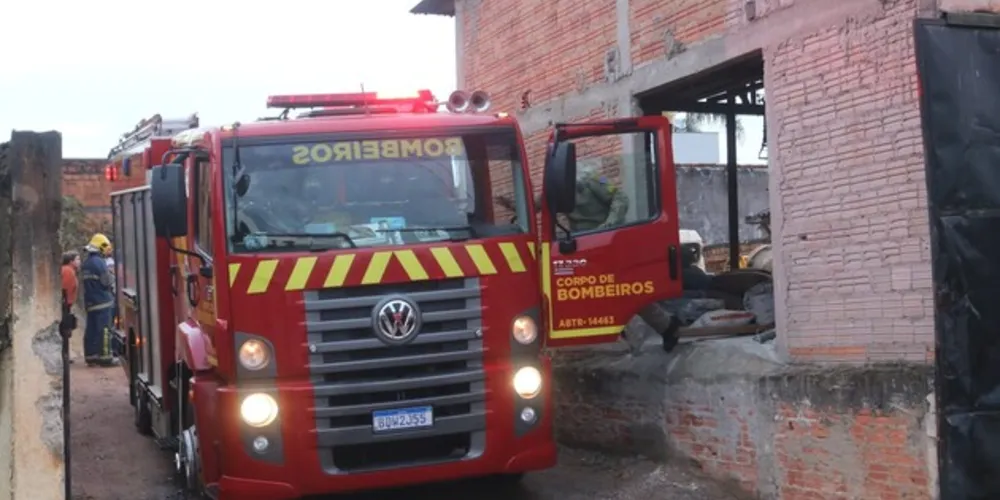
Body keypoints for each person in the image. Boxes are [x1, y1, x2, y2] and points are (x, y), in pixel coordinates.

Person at [496, 161, 680, 353]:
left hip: (607, 243)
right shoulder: (556, 188)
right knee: (590, 292)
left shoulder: (593, 179)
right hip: (583, 248)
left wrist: (609, 225)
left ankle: (667, 327)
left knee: (626, 289)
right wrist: (512, 205)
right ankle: (619, 335)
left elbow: (620, 197)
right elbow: (535, 207)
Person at [80, 233, 117, 367]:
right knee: (105, 329)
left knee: (91, 329)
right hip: (103, 301)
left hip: (90, 301)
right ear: (101, 247)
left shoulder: (86, 263)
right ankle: (106, 357)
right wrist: (113, 277)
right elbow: (106, 281)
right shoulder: (100, 263)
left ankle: (91, 355)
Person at [59, 251, 81, 361]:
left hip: (66, 304)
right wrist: (66, 303)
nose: (79, 262)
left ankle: (65, 354)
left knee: (65, 330)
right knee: (65, 330)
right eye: (77, 259)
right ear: (71, 261)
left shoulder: (68, 270)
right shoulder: (68, 271)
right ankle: (65, 355)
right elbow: (65, 289)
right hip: (65, 304)